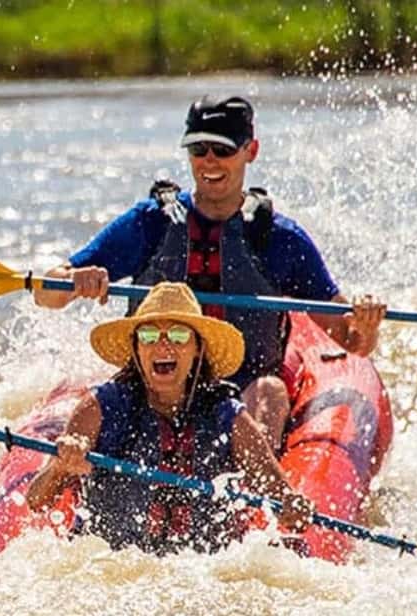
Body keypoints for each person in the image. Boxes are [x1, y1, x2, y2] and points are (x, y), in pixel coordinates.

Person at [34, 95, 387, 448]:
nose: (210, 161)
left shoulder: (281, 240)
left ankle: (254, 494)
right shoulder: (151, 222)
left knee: (270, 390)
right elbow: (46, 295)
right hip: (155, 384)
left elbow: (352, 341)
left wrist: (367, 324)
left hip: (243, 388)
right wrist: (72, 279)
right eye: (199, 149)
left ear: (251, 151)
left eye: (223, 149)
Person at [26, 282, 314, 555]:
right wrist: (62, 466)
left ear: (197, 348)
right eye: (149, 336)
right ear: (137, 349)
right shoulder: (100, 407)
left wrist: (294, 506)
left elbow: (284, 501)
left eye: (178, 336)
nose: (163, 346)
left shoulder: (228, 416)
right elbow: (36, 500)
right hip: (110, 561)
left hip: (204, 568)